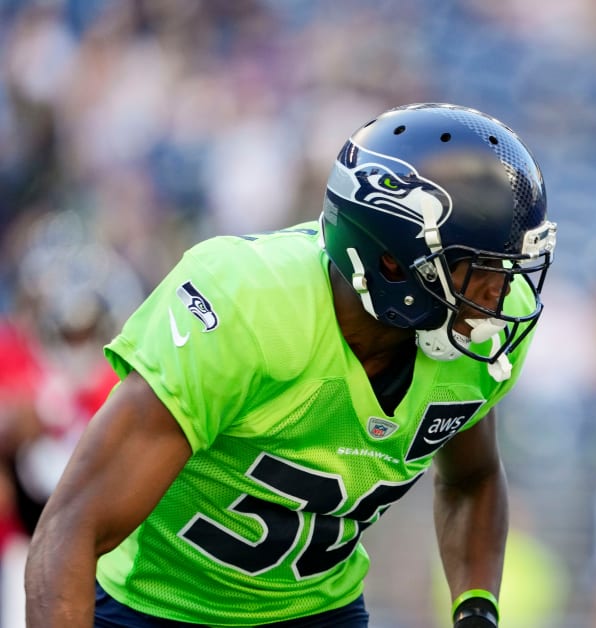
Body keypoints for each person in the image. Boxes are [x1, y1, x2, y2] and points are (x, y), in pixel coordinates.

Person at [24, 102, 558, 628]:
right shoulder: (250, 307)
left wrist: (476, 611)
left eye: (509, 268)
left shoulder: (477, 334)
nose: (501, 292)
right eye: (479, 268)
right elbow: (72, 527)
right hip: (152, 607)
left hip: (316, 612)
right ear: (392, 262)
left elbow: (472, 478)